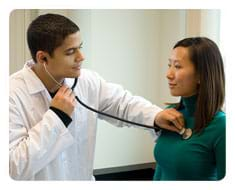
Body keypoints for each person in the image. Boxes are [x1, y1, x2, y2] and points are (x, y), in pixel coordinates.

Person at [9, 13, 184, 180]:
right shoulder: (11, 94)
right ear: (43, 58)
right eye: (70, 52)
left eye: (80, 48)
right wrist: (57, 117)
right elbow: (14, 167)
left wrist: (156, 115)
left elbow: (122, 104)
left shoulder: (87, 81)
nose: (81, 57)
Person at [153, 37, 225, 180]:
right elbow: (161, 171)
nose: (169, 74)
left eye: (178, 66)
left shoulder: (222, 127)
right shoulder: (170, 114)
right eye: (169, 65)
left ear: (201, 75)